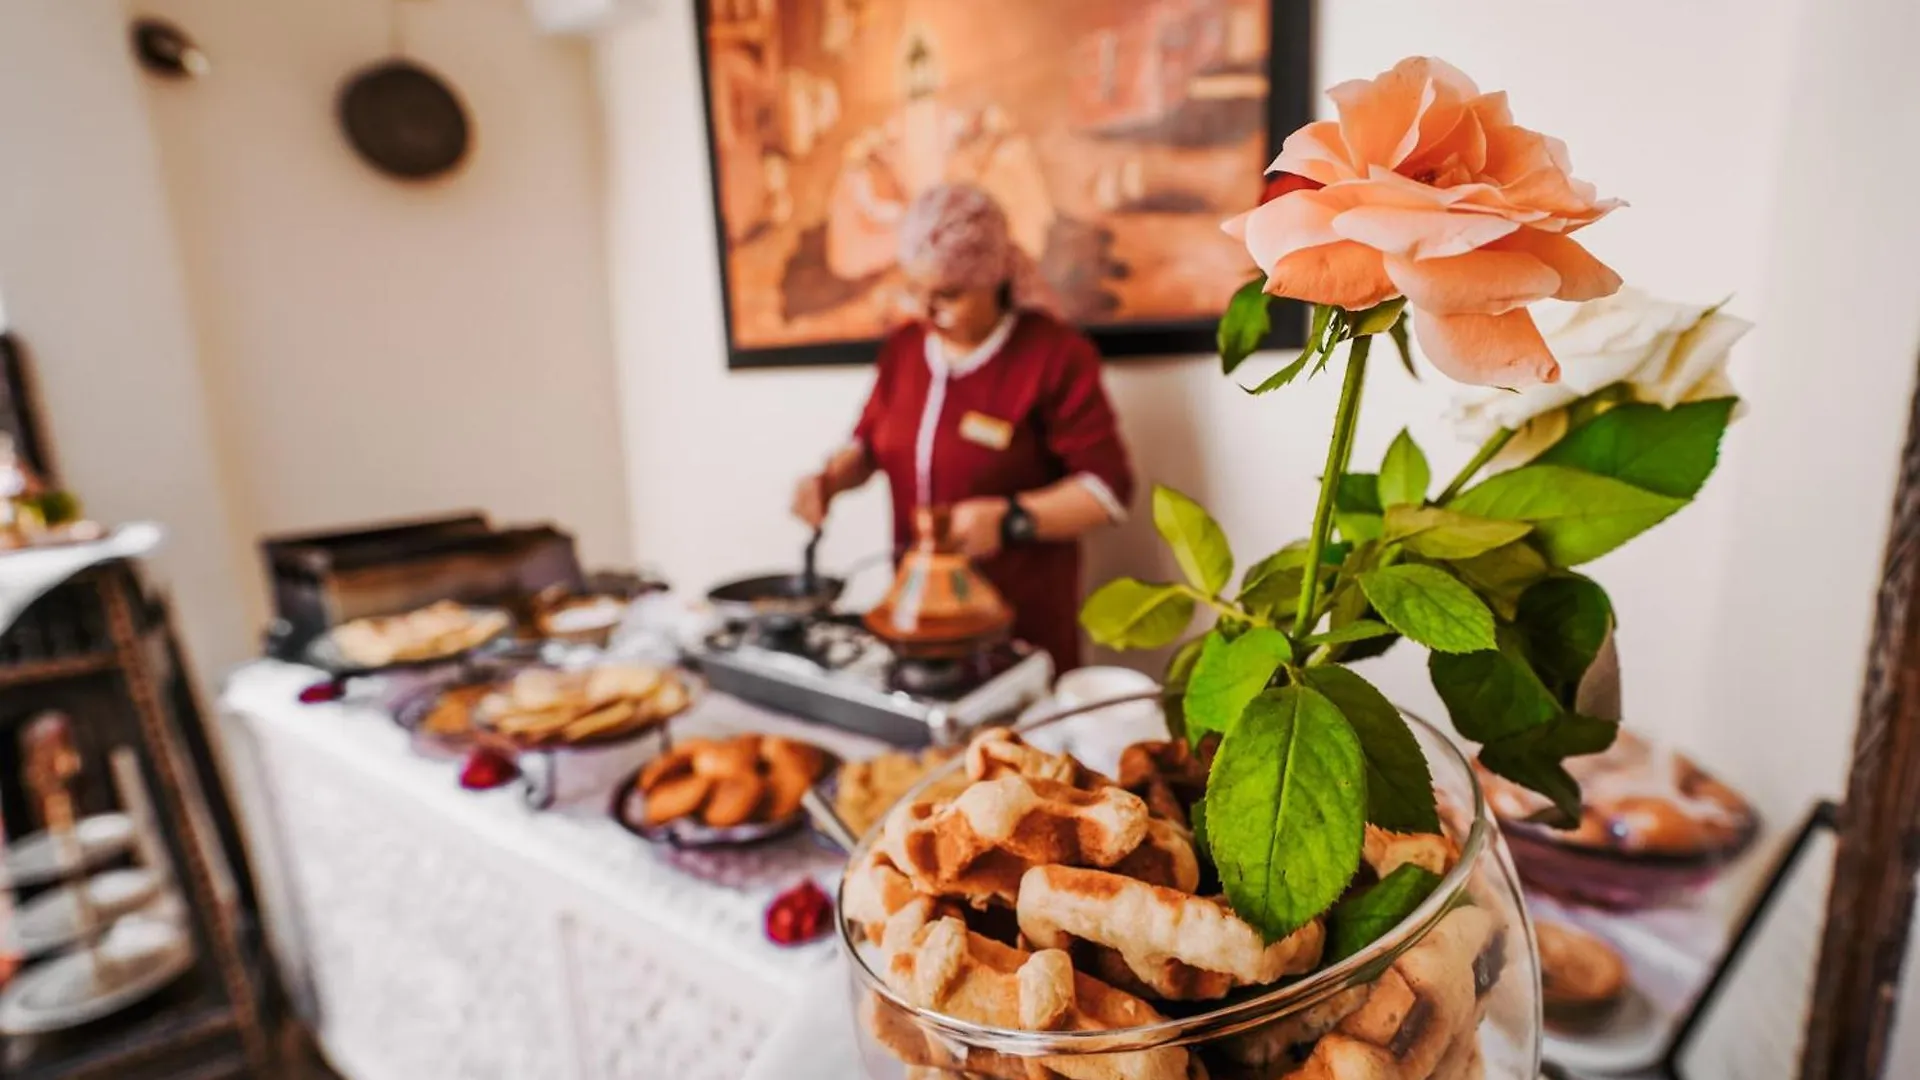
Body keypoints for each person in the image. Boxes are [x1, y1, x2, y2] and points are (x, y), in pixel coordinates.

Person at [792, 183, 1135, 671]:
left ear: (993, 278)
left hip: (1019, 630)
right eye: (915, 290)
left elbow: (1108, 491)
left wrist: (1011, 518)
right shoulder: (905, 350)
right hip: (917, 628)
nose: (925, 313)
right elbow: (868, 445)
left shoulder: (1054, 356)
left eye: (947, 295)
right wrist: (829, 480)